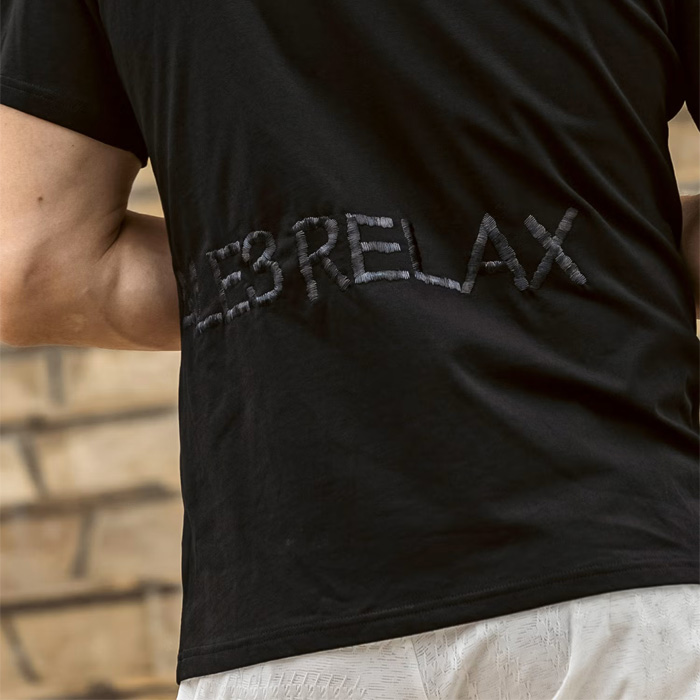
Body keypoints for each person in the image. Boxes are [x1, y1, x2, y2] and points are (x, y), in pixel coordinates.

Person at [1, 1, 698, 698]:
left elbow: (35, 268)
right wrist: (606, 253)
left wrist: (322, 270)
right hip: (633, 585)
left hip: (298, 609)